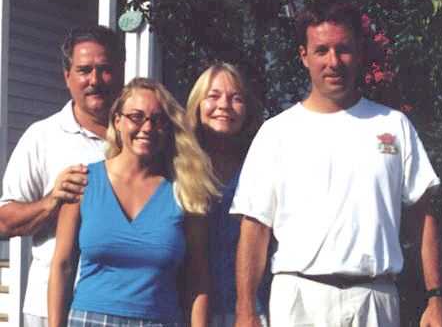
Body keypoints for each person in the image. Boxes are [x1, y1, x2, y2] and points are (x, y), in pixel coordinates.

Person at [230, 2, 442, 327]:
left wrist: (435, 297)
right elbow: (255, 228)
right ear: (304, 56)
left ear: (358, 53)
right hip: (299, 301)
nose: (333, 62)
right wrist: (245, 310)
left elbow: (422, 215)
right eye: (321, 50)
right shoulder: (276, 133)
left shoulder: (393, 125)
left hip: (374, 299)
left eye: (343, 49)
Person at [48, 77, 218, 327]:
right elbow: (62, 266)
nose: (147, 128)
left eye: (157, 120)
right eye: (136, 117)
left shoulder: (186, 192)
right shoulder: (83, 182)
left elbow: (198, 277)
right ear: (117, 121)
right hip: (90, 320)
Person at [0, 25, 125, 327]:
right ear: (67, 76)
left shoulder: (144, 137)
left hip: (126, 307)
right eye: (84, 70)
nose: (94, 80)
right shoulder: (43, 137)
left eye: (105, 69)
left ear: (121, 72)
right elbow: (4, 221)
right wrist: (52, 202)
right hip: (52, 308)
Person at [186, 63, 270, 327]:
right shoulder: (177, 166)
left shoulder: (261, 165)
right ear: (197, 105)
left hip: (253, 310)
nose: (224, 105)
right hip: (187, 309)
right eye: (213, 96)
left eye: (236, 98)